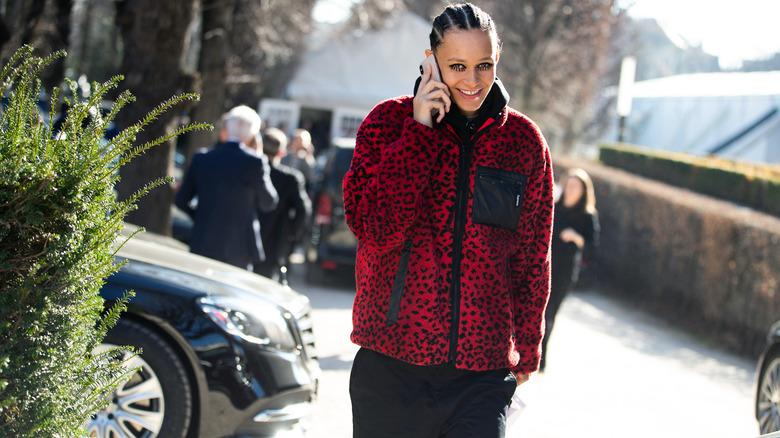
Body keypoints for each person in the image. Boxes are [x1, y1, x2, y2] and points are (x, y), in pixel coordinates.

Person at [342, 4, 554, 438]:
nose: (472, 81)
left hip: (482, 372)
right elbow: (376, 229)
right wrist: (419, 131)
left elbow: (533, 259)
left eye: (484, 65)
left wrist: (527, 354)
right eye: (457, 66)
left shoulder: (524, 143)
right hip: (391, 365)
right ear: (430, 61)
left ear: (498, 59)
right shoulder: (387, 124)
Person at [174, 105, 278, 270]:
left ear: (226, 130)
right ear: (252, 135)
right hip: (240, 247)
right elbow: (268, 202)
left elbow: (181, 200)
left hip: (204, 240)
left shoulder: (202, 158)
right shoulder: (255, 162)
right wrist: (258, 157)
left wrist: (201, 216)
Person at [540, 168, 599, 372]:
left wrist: (576, 237)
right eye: (569, 184)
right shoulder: (553, 207)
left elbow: (592, 248)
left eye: (576, 186)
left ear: (584, 191)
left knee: (549, 314)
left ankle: (541, 359)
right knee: (537, 312)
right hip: (543, 267)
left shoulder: (587, 216)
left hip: (564, 273)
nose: (571, 189)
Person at [254, 127, 312, 283]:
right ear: (281, 152)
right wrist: (291, 235)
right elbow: (304, 211)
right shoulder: (290, 178)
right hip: (274, 242)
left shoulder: (247, 170)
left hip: (255, 242)